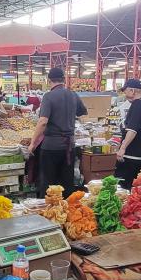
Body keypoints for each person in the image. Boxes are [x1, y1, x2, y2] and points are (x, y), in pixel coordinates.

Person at [28, 67, 86, 197]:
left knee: (49, 183)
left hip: (51, 147)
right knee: (66, 182)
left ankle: (49, 213)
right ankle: (66, 212)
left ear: (49, 80)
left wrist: (33, 142)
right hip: (69, 147)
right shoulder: (73, 94)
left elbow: (43, 122)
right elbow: (82, 112)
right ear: (64, 80)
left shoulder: (49, 96)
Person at [115, 78, 141, 188]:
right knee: (137, 189)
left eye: (125, 91)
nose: (124, 94)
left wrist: (123, 148)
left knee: (122, 188)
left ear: (132, 91)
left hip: (131, 156)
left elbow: (132, 130)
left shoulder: (137, 104)